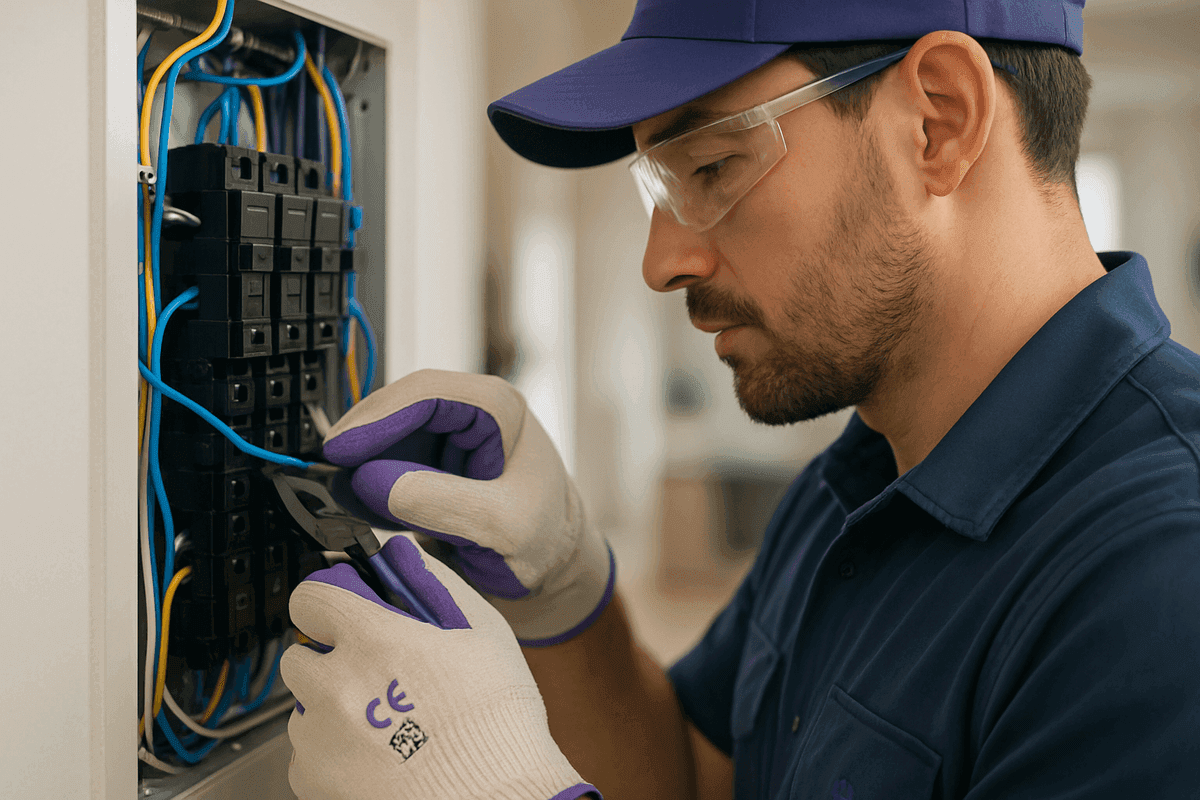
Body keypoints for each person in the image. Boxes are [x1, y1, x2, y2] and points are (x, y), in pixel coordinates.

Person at [279, 0, 1200, 798]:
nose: (660, 263)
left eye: (711, 167)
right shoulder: (859, 481)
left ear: (939, 122)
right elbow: (693, 777)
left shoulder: (1160, 576)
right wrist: (565, 592)